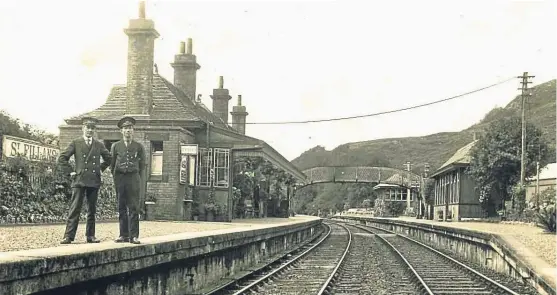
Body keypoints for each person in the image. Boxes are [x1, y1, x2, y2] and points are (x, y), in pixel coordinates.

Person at [58, 117, 112, 244]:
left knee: (91, 210)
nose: (90, 130)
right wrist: (71, 172)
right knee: (75, 208)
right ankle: (68, 236)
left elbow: (109, 158)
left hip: (93, 180)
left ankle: (90, 236)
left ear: (95, 130)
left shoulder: (99, 144)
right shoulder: (76, 142)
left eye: (92, 128)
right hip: (79, 180)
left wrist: (100, 169)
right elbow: (62, 158)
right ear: (83, 128)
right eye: (88, 127)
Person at [110, 116, 146, 244]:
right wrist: (116, 179)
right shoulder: (115, 146)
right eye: (125, 128)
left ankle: (134, 235)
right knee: (121, 207)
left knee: (134, 207)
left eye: (130, 128)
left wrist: (140, 181)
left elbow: (143, 166)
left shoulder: (139, 147)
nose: (128, 131)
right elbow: (112, 164)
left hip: (133, 178)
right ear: (121, 131)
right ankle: (123, 235)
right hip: (120, 178)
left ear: (133, 130)